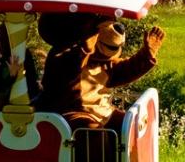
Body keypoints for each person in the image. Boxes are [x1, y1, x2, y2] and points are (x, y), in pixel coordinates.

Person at [35, 20, 164, 130]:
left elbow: (128, 69)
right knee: (92, 131)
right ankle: (99, 159)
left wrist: (146, 55)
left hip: (102, 111)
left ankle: (130, 159)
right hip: (72, 112)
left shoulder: (106, 64)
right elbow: (67, 74)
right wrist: (85, 48)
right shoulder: (61, 55)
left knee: (132, 125)